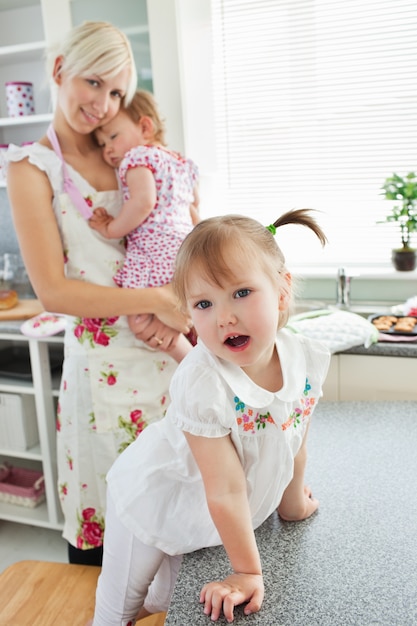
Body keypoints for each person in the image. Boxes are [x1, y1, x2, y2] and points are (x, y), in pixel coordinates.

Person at [6, 21, 191, 567]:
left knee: (184, 532)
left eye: (116, 93)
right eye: (94, 84)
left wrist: (181, 310)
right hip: (104, 374)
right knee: (115, 544)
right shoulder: (29, 168)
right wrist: (158, 301)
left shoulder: (132, 151)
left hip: (171, 355)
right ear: (60, 70)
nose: (104, 105)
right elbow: (55, 291)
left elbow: (186, 227)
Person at [91, 209, 331, 624]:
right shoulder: (203, 382)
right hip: (155, 495)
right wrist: (247, 572)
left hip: (205, 510)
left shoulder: (306, 358)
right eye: (204, 303)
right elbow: (225, 491)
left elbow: (295, 442)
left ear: (281, 291)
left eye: (241, 292)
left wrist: (291, 504)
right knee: (119, 610)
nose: (225, 317)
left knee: (168, 601)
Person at [89, 89, 199, 362]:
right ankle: (203, 355)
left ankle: (193, 364)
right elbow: (194, 209)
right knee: (189, 312)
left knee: (141, 322)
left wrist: (110, 228)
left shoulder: (137, 157)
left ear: (145, 127)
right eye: (102, 144)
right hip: (185, 250)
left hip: (154, 252)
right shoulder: (183, 164)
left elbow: (143, 202)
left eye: (113, 137)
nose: (108, 149)